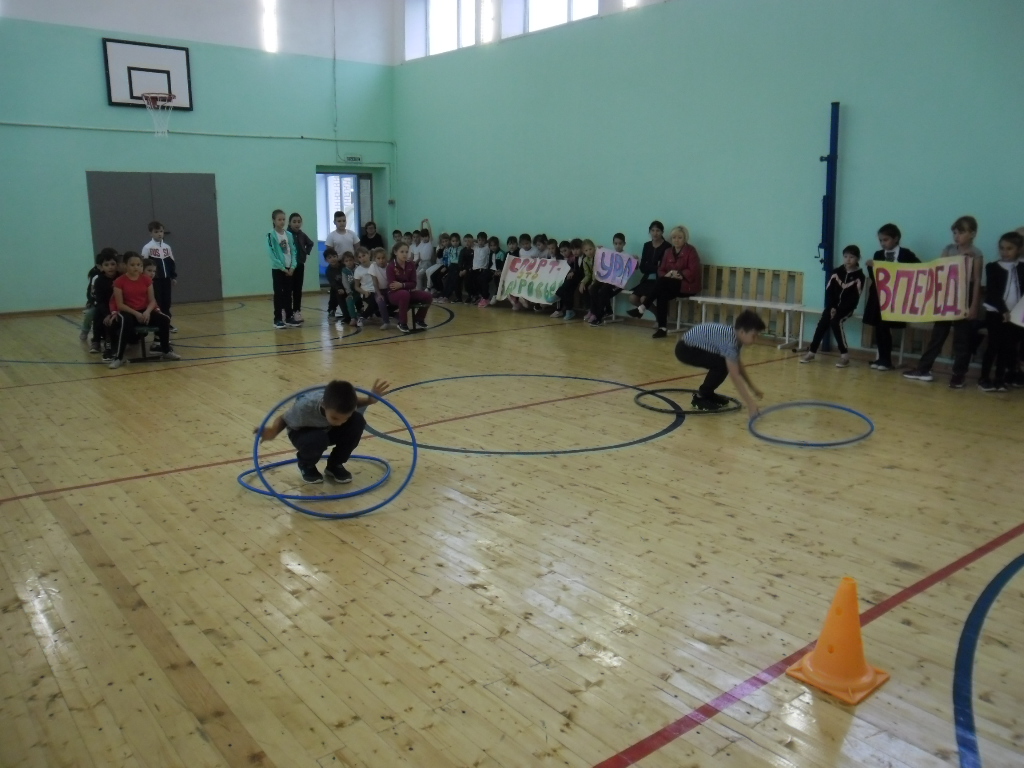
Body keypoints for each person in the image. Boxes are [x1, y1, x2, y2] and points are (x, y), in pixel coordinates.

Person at [255, 378, 390, 484]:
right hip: (302, 433)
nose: (340, 422)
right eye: (335, 417)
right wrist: (273, 431)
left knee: (357, 421)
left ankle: (335, 465)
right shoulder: (305, 407)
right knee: (317, 439)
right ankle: (306, 465)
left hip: (326, 430)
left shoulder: (343, 407)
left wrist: (369, 400)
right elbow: (284, 418)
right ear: (324, 405)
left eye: (345, 418)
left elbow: (354, 403)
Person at [902, 216, 985, 387]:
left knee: (962, 339)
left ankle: (958, 374)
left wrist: (974, 305)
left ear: (972, 234)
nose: (957, 236)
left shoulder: (976, 254)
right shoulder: (948, 249)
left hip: (965, 295)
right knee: (938, 335)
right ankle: (923, 368)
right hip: (947, 295)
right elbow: (939, 270)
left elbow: (977, 280)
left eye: (961, 232)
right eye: (955, 232)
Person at [676, 310, 766, 416]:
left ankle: (707, 394)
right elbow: (735, 376)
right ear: (742, 332)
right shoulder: (729, 341)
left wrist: (753, 388)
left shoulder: (734, 336)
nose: (755, 340)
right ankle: (701, 398)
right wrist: (750, 404)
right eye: (754, 336)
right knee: (722, 364)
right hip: (686, 349)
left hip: (693, 347)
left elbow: (738, 364)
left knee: (723, 363)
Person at [108, 252, 181, 369]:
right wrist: (136, 313)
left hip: (144, 311)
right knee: (125, 322)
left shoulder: (146, 280)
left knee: (164, 319)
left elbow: (152, 301)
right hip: (128, 312)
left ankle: (166, 350)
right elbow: (120, 305)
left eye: (138, 265)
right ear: (125, 265)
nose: (136, 267)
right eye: (132, 265)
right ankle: (118, 357)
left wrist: (147, 312)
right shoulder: (119, 281)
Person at [863, 223, 920, 371]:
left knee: (885, 326)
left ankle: (886, 360)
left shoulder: (906, 254)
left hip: (897, 297)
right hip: (879, 297)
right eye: (881, 240)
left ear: (896, 238)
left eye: (886, 240)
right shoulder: (878, 255)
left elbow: (917, 269)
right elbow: (875, 278)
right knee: (879, 328)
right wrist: (871, 267)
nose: (883, 243)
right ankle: (882, 358)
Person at [800, 245, 865, 367]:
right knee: (823, 322)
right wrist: (832, 307)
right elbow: (829, 291)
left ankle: (844, 356)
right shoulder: (836, 272)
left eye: (851, 257)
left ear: (858, 258)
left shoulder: (860, 276)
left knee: (836, 322)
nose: (848, 259)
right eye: (845, 256)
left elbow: (854, 298)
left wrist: (839, 309)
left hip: (846, 308)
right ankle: (811, 352)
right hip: (832, 307)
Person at [978, 231, 1024, 392]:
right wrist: (1003, 310)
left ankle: (1000, 378)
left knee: (1007, 347)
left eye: (1009, 248)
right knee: (993, 345)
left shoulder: (1022, 268)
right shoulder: (992, 267)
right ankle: (984, 378)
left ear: (1018, 249)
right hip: (995, 313)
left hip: (1014, 315)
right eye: (1002, 248)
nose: (1005, 252)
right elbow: (993, 292)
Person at [645, 226, 701, 338]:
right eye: (674, 237)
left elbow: (693, 270)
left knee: (662, 284)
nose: (676, 240)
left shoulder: (691, 251)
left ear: (685, 238)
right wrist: (669, 275)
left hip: (687, 286)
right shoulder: (668, 251)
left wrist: (679, 274)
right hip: (669, 284)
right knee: (661, 294)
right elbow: (661, 270)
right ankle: (662, 328)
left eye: (680, 237)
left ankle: (644, 305)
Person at [266, 209, 301, 328]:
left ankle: (289, 317)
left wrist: (292, 266)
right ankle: (278, 319)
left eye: (283, 219)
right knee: (278, 294)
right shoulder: (271, 235)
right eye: (279, 219)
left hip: (289, 268)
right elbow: (272, 253)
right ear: (274, 220)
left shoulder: (289, 235)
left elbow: (293, 251)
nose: (282, 222)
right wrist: (282, 267)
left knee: (288, 293)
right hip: (278, 269)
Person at [141, 221, 179, 333]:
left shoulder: (167, 247)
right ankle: (158, 322)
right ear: (151, 233)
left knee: (167, 302)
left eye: (161, 231)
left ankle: (167, 322)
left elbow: (171, 262)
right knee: (158, 301)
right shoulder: (147, 248)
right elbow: (143, 264)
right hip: (154, 281)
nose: (159, 234)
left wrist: (173, 276)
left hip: (166, 279)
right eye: (156, 232)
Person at [387, 243, 433, 333]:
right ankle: (402, 323)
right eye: (402, 252)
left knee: (428, 296)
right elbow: (393, 286)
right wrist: (406, 285)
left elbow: (414, 283)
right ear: (395, 252)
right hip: (394, 294)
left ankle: (419, 319)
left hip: (408, 292)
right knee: (404, 294)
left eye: (406, 252)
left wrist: (402, 285)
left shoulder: (411, 264)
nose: (405, 254)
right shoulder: (391, 266)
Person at [587, 232, 629, 327]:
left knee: (603, 291)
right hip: (607, 280)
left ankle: (599, 316)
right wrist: (599, 251)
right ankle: (605, 310)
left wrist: (636, 260)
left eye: (620, 243)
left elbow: (633, 267)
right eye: (616, 243)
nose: (618, 246)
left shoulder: (626, 256)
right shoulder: (610, 254)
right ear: (613, 243)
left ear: (624, 244)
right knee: (593, 288)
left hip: (618, 283)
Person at [628, 221, 670, 316]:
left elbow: (664, 268)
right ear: (649, 231)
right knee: (632, 298)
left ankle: (659, 317)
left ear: (662, 232)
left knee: (644, 299)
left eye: (658, 230)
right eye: (653, 230)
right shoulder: (647, 245)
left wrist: (650, 266)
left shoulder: (667, 246)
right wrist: (655, 266)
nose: (655, 233)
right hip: (647, 280)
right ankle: (659, 314)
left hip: (660, 280)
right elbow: (643, 268)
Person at [88, 251, 119, 359]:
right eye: (106, 265)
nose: (110, 267)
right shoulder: (99, 281)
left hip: (119, 307)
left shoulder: (121, 278)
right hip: (105, 307)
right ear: (101, 267)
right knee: (97, 314)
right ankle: (96, 340)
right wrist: (107, 314)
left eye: (113, 264)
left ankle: (117, 342)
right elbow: (100, 301)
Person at [287, 213, 315, 324]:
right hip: (289, 266)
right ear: (289, 223)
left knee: (298, 289)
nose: (297, 224)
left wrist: (305, 252)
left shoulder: (302, 235)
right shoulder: (286, 234)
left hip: (300, 265)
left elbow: (310, 243)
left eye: (299, 221)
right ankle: (287, 312)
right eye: (294, 221)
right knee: (288, 289)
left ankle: (297, 311)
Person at [353, 249, 387, 328]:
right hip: (367, 292)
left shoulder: (375, 264)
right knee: (376, 301)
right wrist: (364, 292)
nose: (362, 258)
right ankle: (362, 317)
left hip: (379, 290)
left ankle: (385, 314)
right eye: (359, 257)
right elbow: (356, 287)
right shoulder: (358, 270)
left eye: (364, 255)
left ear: (369, 254)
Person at [553, 239, 584, 319]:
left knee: (568, 283)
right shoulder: (576, 258)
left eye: (577, 249)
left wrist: (573, 272)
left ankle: (558, 294)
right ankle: (569, 310)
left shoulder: (582, 257)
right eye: (573, 249)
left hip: (582, 278)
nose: (575, 251)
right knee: (568, 289)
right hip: (575, 278)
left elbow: (581, 271)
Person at [369, 248, 393, 329]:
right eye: (378, 258)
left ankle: (397, 316)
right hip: (379, 290)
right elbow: (375, 283)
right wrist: (379, 294)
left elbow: (391, 280)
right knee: (380, 302)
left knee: (396, 301)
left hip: (389, 289)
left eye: (383, 258)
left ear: (386, 258)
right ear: (374, 259)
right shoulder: (373, 266)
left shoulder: (389, 266)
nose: (381, 260)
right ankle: (386, 322)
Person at [323, 248, 348, 323]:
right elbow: (333, 283)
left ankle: (360, 308)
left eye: (334, 256)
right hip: (339, 288)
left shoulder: (344, 265)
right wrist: (338, 289)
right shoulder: (328, 271)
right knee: (334, 292)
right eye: (329, 257)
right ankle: (332, 310)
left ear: (337, 257)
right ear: (326, 260)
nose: (332, 259)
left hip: (349, 285)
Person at [471, 231, 493, 307]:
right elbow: (470, 241)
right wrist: (476, 240)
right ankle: (480, 296)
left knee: (482, 281)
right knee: (474, 283)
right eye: (479, 240)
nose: (481, 242)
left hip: (483, 269)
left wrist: (486, 241)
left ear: (485, 241)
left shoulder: (487, 247)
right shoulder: (475, 247)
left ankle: (485, 297)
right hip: (475, 269)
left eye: (483, 240)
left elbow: (490, 240)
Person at [339, 252, 360, 327]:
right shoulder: (344, 271)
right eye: (346, 261)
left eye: (350, 260)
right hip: (352, 291)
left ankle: (365, 313)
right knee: (349, 300)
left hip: (361, 289)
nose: (349, 262)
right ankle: (353, 318)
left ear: (354, 260)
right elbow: (345, 282)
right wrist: (349, 292)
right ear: (343, 262)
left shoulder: (358, 267)